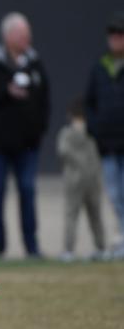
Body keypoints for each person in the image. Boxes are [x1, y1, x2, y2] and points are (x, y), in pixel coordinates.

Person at [0, 12, 49, 258]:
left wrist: (38, 131)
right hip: (0, 145)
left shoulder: (35, 63)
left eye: (28, 33)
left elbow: (45, 101)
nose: (27, 38)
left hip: (28, 145)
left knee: (27, 191)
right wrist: (6, 91)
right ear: (8, 37)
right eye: (21, 34)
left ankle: (32, 247)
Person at [85, 11, 124, 258]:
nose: (115, 40)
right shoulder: (100, 67)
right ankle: (120, 238)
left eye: (119, 35)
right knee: (114, 193)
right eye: (112, 35)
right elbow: (90, 102)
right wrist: (95, 128)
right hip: (108, 144)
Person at [56, 98, 107, 262]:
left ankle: (69, 251)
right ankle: (101, 248)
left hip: (74, 180)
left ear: (70, 114)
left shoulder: (68, 132)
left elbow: (62, 151)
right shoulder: (93, 132)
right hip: (93, 179)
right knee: (95, 215)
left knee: (72, 215)